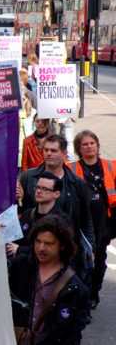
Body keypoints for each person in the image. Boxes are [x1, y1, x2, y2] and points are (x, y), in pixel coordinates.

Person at [18, 134, 95, 281]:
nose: (48, 154)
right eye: (46, 150)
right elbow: (20, 212)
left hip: (65, 250)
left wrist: (90, 247)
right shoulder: (28, 177)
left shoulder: (77, 183)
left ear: (64, 154)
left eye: (53, 151)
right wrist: (17, 198)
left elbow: (86, 218)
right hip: (35, 249)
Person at [8, 215, 89, 345]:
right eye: (38, 241)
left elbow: (73, 335)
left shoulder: (74, 288)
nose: (41, 248)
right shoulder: (19, 267)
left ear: (62, 246)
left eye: (49, 244)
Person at [70, 130, 116, 309]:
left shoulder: (111, 166)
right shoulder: (72, 168)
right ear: (79, 149)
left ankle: (93, 295)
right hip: (82, 223)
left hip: (105, 223)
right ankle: (82, 296)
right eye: (84, 144)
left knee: (99, 263)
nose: (89, 147)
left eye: (92, 143)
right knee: (81, 261)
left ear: (97, 145)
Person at [6, 172, 73, 258]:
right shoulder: (27, 214)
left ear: (56, 194)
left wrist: (20, 250)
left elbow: (59, 250)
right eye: (37, 187)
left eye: (44, 189)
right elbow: (14, 242)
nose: (38, 191)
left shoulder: (62, 220)